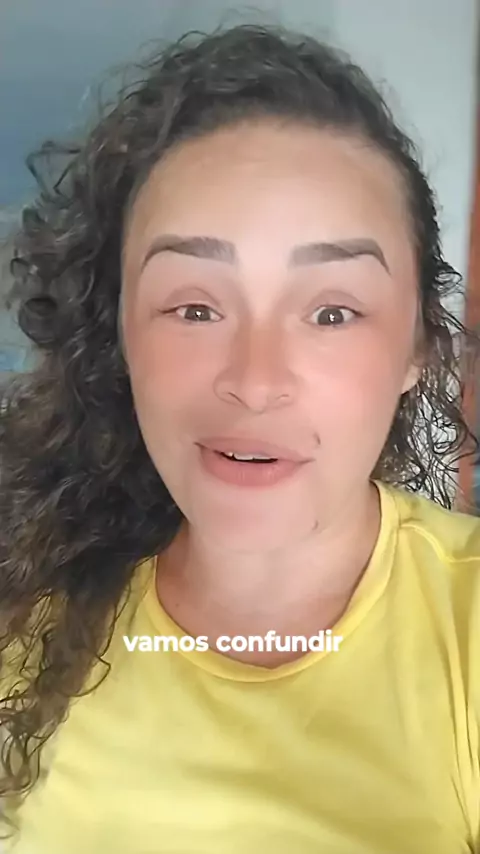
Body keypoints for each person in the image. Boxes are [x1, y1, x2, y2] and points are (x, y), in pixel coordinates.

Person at [0, 21, 479, 854]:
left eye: (332, 312)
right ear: (118, 337)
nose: (255, 382)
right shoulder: (23, 619)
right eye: (194, 307)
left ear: (417, 347)